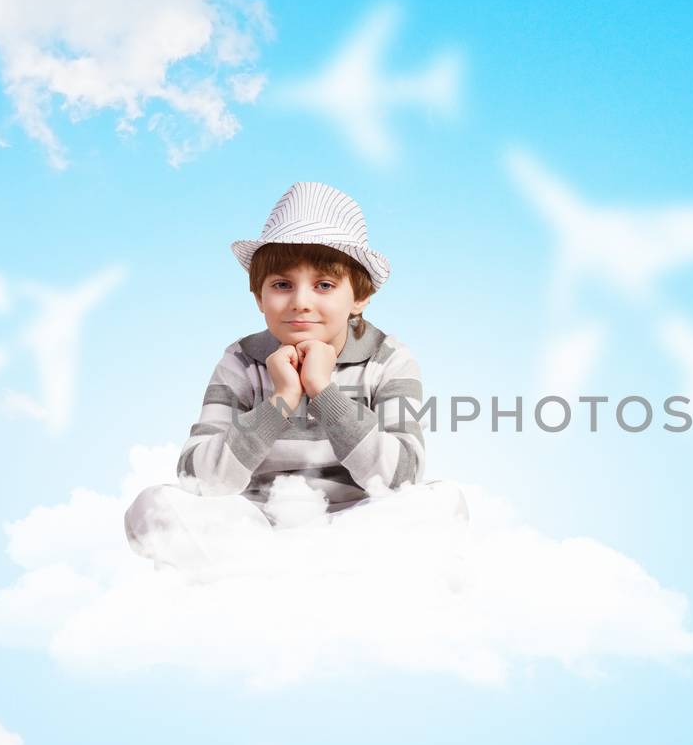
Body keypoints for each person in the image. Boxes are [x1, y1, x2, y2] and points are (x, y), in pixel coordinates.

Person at [124, 181, 467, 575]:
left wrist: (325, 393)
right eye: (282, 285)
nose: (301, 301)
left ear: (359, 296)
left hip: (355, 530)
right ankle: (269, 582)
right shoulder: (241, 360)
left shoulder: (388, 360)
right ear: (259, 297)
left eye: (324, 285)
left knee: (444, 504)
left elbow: (401, 478)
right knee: (153, 508)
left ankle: (314, 582)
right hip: (252, 532)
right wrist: (279, 402)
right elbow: (197, 477)